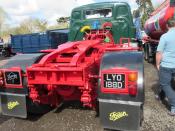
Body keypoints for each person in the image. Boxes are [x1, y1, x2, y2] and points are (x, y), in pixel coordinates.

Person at [156, 18, 175, 116]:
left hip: (167, 65)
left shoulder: (165, 36)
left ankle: (173, 106)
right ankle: (160, 95)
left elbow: (159, 52)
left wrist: (158, 64)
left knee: (165, 84)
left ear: (167, 26)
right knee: (166, 81)